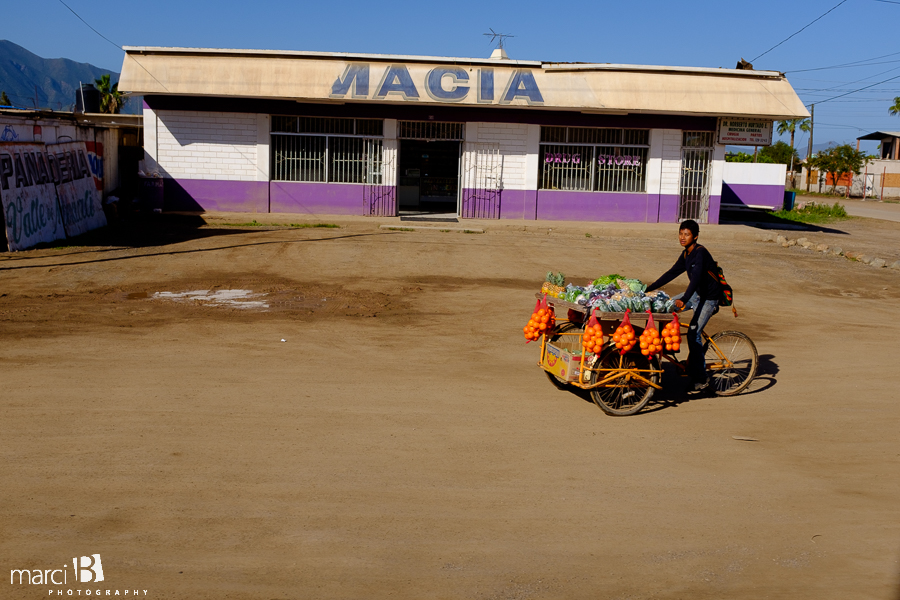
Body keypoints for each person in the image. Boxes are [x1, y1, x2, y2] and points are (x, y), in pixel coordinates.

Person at [645, 219, 722, 392]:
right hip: (696, 294)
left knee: (693, 334)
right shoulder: (686, 254)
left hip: (709, 298)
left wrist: (685, 299)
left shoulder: (700, 253)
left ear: (695, 236)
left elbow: (696, 278)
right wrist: (647, 289)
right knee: (664, 306)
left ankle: (702, 378)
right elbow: (671, 273)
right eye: (680, 233)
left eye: (686, 234)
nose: (682, 237)